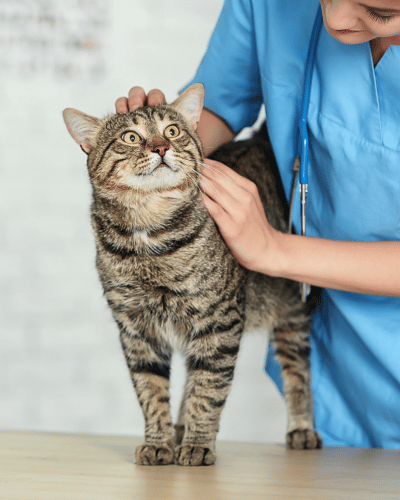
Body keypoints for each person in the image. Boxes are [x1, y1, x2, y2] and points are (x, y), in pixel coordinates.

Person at [115, 0, 400, 449]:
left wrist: (274, 250)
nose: (335, 20)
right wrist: (154, 148)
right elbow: (220, 105)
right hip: (341, 371)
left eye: (381, 12)